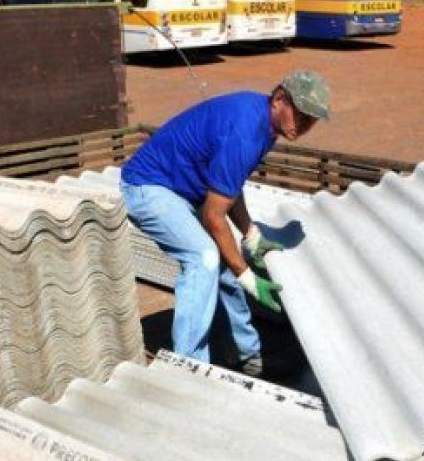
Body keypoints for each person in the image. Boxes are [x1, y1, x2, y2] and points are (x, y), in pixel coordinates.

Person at [120, 70, 331, 376]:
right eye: (302, 115)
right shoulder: (246, 131)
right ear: (280, 99)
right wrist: (248, 275)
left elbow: (228, 188)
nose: (305, 126)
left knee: (227, 266)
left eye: (312, 120)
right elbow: (213, 214)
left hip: (181, 190)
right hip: (148, 188)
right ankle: (187, 368)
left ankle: (245, 355)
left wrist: (250, 234)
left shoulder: (265, 123)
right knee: (204, 258)